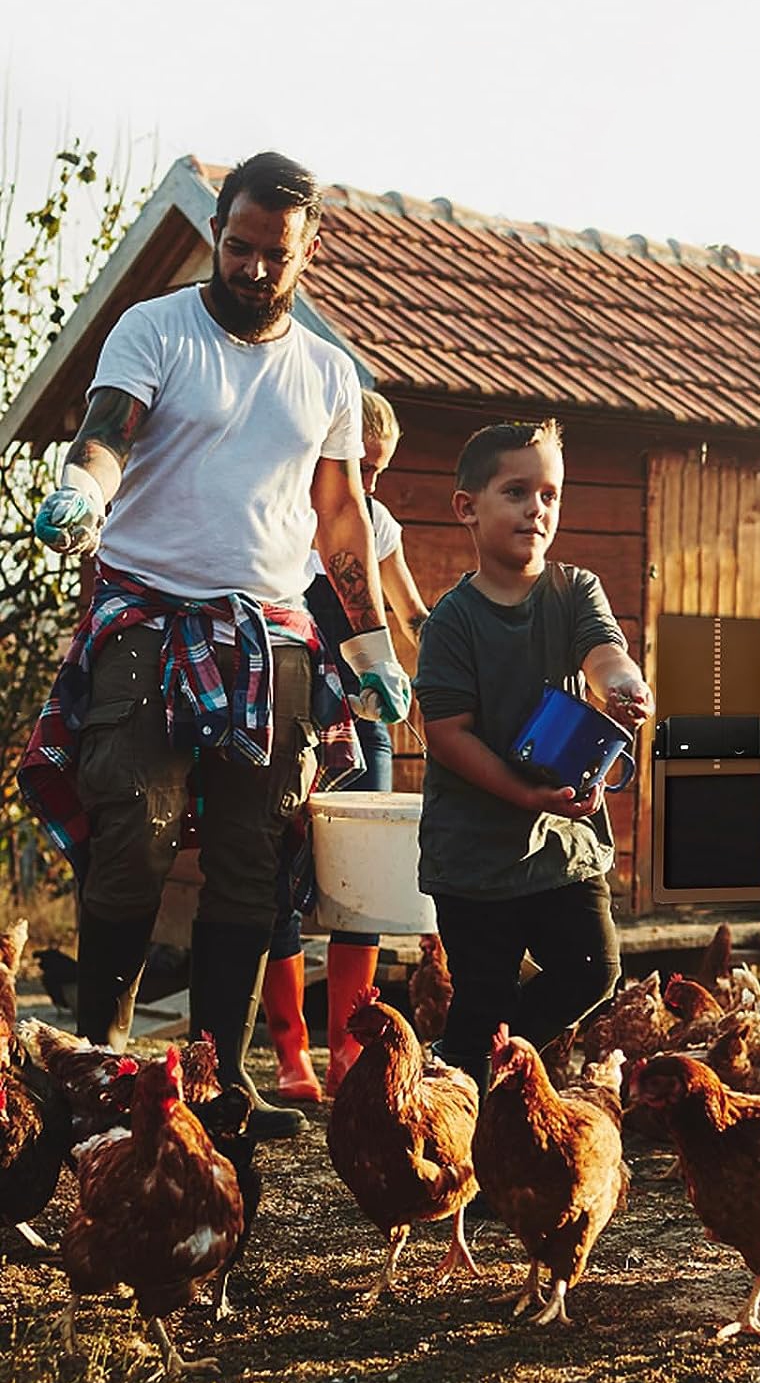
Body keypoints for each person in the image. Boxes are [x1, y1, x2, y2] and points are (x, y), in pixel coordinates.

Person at [19, 151, 411, 1139]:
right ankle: (101, 1073)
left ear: (308, 251)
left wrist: (371, 648)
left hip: (271, 636)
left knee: (252, 857)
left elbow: (341, 517)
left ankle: (222, 1083)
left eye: (275, 253)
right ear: (216, 234)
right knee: (133, 838)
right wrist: (85, 491)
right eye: (238, 246)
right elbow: (108, 431)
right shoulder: (154, 329)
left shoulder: (328, 372)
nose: (253, 267)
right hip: (147, 617)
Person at [414, 419, 652, 1092]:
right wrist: (522, 794)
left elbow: (605, 652)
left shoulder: (574, 590)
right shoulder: (452, 621)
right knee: (483, 995)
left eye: (550, 495)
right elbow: (447, 734)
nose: (536, 509)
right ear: (468, 507)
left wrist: (624, 685)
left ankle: (477, 1063)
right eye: (516, 492)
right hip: (474, 857)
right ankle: (467, 1101)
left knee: (593, 971)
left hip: (562, 843)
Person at [262, 389, 430, 1101]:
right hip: (290, 716)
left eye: (382, 469)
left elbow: (410, 612)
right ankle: (291, 1052)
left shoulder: (378, 523)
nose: (372, 483)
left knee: (363, 878)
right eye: (364, 467)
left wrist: (447, 662)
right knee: (276, 874)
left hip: (366, 720)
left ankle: (348, 1053)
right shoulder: (285, 516)